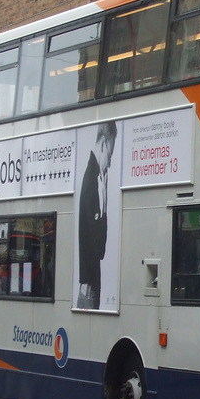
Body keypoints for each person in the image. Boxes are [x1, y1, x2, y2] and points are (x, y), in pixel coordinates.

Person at [77, 121, 117, 309]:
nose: (110, 162)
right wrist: (106, 202)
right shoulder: (91, 183)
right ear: (104, 145)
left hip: (91, 287)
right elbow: (99, 249)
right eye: (111, 154)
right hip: (89, 291)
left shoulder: (94, 177)